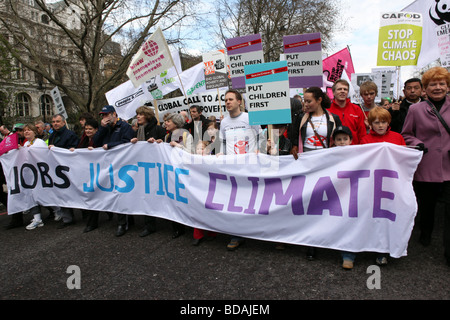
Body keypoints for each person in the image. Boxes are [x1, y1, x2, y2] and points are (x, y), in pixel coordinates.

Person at [401, 67, 450, 266]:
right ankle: (426, 232)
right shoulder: (415, 109)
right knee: (427, 206)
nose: (437, 87)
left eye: (441, 84)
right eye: (433, 84)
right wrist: (416, 143)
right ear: (425, 89)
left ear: (447, 86)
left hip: (449, 165)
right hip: (427, 166)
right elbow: (406, 134)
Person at [219, 89, 261, 251]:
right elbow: (221, 142)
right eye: (225, 100)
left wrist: (259, 150)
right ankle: (236, 234)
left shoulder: (250, 118)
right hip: (232, 168)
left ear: (239, 102)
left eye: (230, 99)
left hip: (249, 167)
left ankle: (257, 230)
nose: (227, 102)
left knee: (251, 199)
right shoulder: (223, 122)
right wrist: (220, 153)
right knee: (234, 201)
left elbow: (260, 137)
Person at [149, 112, 193, 238]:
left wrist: (178, 146)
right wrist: (159, 144)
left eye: (168, 121)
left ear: (176, 123)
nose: (165, 124)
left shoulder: (186, 135)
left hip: (181, 172)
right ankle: (177, 227)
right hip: (169, 171)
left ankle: (186, 224)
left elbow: (191, 152)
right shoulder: (167, 136)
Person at [93, 105, 135, 237]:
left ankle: (123, 223)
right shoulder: (105, 128)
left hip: (122, 165)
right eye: (103, 115)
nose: (105, 117)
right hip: (108, 165)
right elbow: (96, 141)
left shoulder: (124, 127)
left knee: (120, 192)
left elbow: (127, 143)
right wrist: (102, 128)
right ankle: (127, 219)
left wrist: (110, 145)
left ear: (114, 114)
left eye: (107, 114)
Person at [130, 106, 166, 237]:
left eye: (140, 114)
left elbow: (166, 146)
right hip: (142, 168)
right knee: (146, 195)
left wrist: (158, 143)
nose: (138, 117)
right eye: (137, 114)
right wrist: (132, 143)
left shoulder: (159, 129)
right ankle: (149, 224)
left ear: (147, 115)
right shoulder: (137, 131)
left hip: (157, 168)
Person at [21, 124, 57, 230]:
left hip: (41, 173)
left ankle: (57, 209)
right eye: (25, 131)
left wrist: (30, 150)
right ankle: (37, 218)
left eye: (29, 130)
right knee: (31, 194)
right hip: (30, 175)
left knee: (45, 193)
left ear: (34, 132)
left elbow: (43, 156)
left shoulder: (39, 142)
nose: (26, 132)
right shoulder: (26, 143)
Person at [48, 114, 79, 228]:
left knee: (75, 191)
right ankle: (67, 218)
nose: (55, 123)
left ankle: (86, 213)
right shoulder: (52, 135)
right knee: (62, 193)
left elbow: (74, 150)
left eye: (57, 121)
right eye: (53, 121)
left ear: (63, 122)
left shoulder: (70, 135)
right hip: (57, 169)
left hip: (68, 168)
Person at [295, 86, 342, 153]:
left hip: (325, 156)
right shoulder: (301, 118)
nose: (306, 104)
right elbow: (294, 137)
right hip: (305, 157)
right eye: (304, 101)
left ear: (319, 100)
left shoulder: (333, 118)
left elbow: (339, 138)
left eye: (309, 101)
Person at [192, 140, 218, 246]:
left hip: (210, 189)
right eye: (197, 149)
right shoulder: (192, 159)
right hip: (198, 189)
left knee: (211, 212)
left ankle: (212, 232)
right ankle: (198, 235)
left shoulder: (212, 159)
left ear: (207, 150)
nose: (199, 151)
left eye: (201, 149)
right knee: (198, 211)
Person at [328, 79, 366, 145]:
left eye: (345, 89)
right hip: (334, 150)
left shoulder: (356, 109)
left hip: (354, 149)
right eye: (339, 89)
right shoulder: (327, 110)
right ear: (333, 92)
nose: (342, 91)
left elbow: (362, 133)